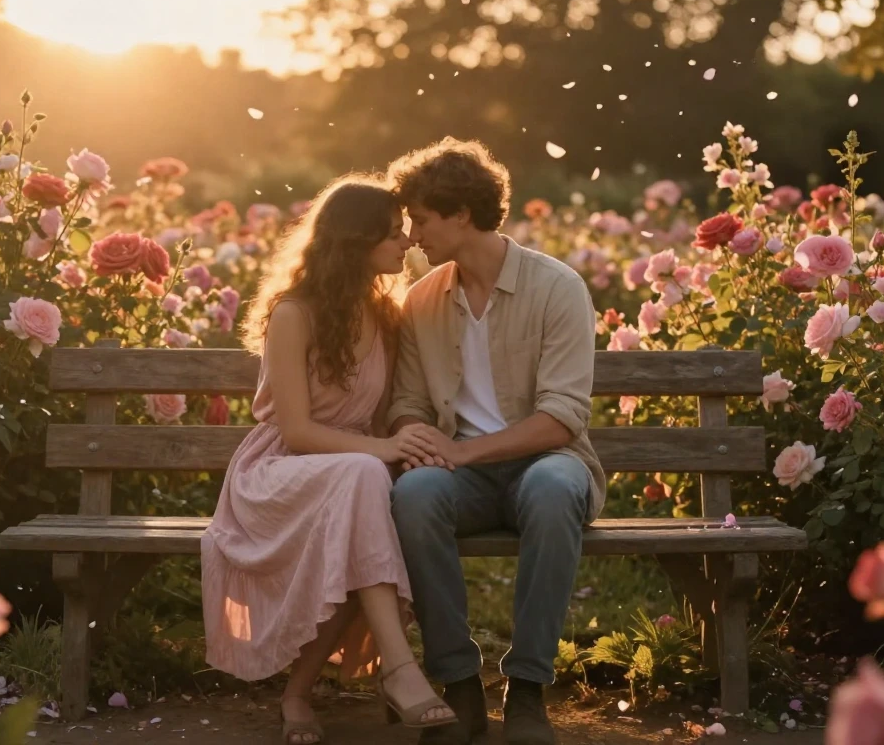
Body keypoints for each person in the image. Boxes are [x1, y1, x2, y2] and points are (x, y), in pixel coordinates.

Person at [201, 175, 459, 745]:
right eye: (393, 235)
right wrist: (383, 450)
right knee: (365, 484)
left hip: (352, 474)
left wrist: (414, 441)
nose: (406, 243)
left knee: (364, 514)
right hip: (278, 476)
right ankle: (401, 671)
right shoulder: (295, 313)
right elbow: (294, 430)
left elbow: (397, 407)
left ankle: (302, 695)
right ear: (354, 241)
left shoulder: (387, 314)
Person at [384, 140, 606, 745]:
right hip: (466, 478)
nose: (413, 234)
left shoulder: (557, 287)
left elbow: (562, 419)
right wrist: (422, 440)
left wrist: (460, 452)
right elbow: (407, 402)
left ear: (460, 214)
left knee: (557, 486)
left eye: (421, 219)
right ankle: (458, 686)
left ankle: (528, 689)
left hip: (547, 462)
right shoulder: (422, 300)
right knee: (416, 493)